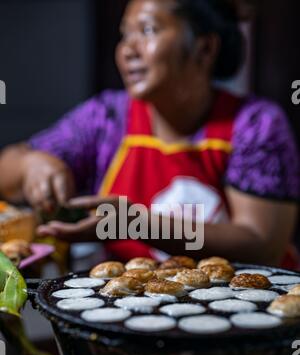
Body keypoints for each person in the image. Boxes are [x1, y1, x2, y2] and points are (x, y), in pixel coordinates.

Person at [0, 0, 299, 267]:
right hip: (130, 312)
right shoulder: (107, 117)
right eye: (124, 34)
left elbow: (262, 246)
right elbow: (7, 167)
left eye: (147, 30)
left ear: (204, 48)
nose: (128, 49)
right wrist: (31, 164)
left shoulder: (254, 123)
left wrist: (139, 225)